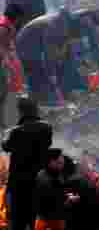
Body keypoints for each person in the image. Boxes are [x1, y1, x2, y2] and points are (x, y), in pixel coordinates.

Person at [4, 97, 53, 230]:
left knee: (18, 221)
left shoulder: (16, 132)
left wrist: (7, 135)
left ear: (21, 112)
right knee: (36, 220)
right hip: (39, 181)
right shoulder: (47, 128)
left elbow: (6, 147)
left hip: (18, 183)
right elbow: (48, 143)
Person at [34, 148, 71, 230]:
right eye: (59, 162)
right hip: (49, 222)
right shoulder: (48, 181)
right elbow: (52, 205)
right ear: (51, 162)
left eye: (62, 162)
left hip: (48, 219)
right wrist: (68, 200)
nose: (62, 164)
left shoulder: (48, 173)